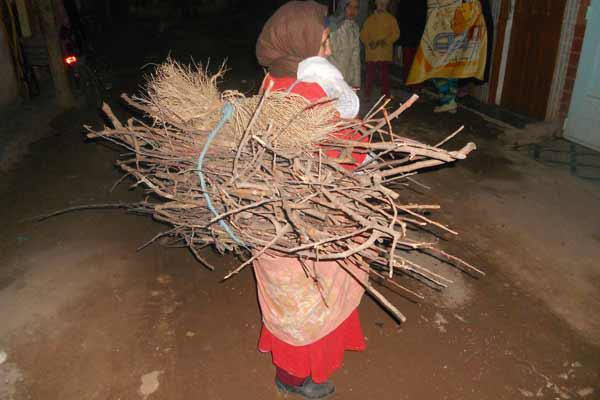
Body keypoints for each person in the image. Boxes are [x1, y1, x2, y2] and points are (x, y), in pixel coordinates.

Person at [255, 1, 368, 398]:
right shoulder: (309, 92)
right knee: (313, 301)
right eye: (323, 43)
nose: (330, 51)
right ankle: (300, 379)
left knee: (287, 300)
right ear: (301, 44)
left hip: (272, 224)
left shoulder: (271, 83)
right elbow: (347, 153)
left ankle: (290, 375)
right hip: (310, 225)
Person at [407, 0, 489, 113]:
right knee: (450, 67)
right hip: (452, 27)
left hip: (444, 28)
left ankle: (448, 100)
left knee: (434, 66)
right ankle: (450, 100)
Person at [359, 0, 400, 99]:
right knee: (370, 75)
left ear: (387, 5)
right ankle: (367, 94)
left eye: (384, 4)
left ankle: (385, 94)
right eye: (379, 4)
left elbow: (396, 34)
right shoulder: (369, 20)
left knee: (384, 75)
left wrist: (386, 41)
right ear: (376, 4)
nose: (381, 6)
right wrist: (369, 43)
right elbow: (363, 35)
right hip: (372, 54)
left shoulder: (391, 19)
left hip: (385, 53)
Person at [328, 0, 361, 88]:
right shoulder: (331, 26)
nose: (352, 10)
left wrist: (356, 84)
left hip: (347, 81)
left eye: (356, 7)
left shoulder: (354, 28)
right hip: (331, 79)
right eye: (349, 6)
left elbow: (355, 59)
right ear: (342, 6)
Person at [395, 0, 427, 87]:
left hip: (414, 37)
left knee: (413, 63)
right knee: (412, 62)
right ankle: (414, 85)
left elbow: (399, 17)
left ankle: (413, 85)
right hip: (413, 37)